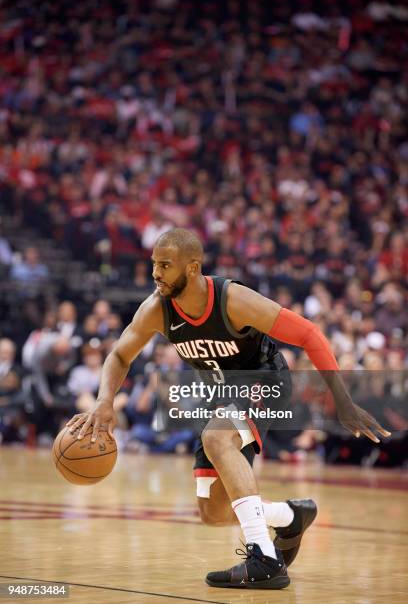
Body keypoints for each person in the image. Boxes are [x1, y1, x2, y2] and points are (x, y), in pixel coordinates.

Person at [67, 228, 390, 591]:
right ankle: (290, 515)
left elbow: (309, 334)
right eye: (154, 264)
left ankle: (264, 560)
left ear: (191, 268)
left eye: (165, 265)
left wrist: (343, 401)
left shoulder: (231, 299)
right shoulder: (157, 310)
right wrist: (103, 401)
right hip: (222, 397)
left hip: (265, 381)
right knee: (214, 512)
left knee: (217, 438)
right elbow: (120, 354)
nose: (156, 273)